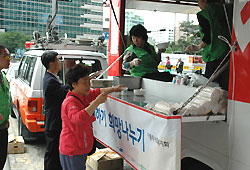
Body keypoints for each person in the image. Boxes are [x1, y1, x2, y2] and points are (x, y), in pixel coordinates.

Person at [59, 64, 123, 170]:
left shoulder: (82, 96)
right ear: (74, 84)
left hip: (80, 148)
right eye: (84, 82)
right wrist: (97, 102)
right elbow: (78, 119)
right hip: (73, 150)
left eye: (89, 81)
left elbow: (96, 92)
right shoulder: (70, 102)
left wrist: (114, 89)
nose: (88, 85)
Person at [185, 0, 231, 90]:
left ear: (204, 1)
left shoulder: (203, 14)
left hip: (214, 55)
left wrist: (197, 47)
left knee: (211, 89)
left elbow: (208, 37)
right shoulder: (223, 10)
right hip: (227, 53)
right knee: (224, 88)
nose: (198, 4)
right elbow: (216, 29)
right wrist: (201, 33)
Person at [41, 51, 69, 170]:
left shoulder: (52, 78)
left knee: (54, 155)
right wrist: (76, 83)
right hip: (54, 124)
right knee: (52, 156)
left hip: (54, 123)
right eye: (58, 60)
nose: (60, 62)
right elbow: (63, 93)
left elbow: (62, 89)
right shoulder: (50, 81)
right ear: (51, 63)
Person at [0, 45, 11, 170]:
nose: (9, 59)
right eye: (5, 56)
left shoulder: (3, 76)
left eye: (10, 56)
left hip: (3, 126)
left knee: (2, 158)